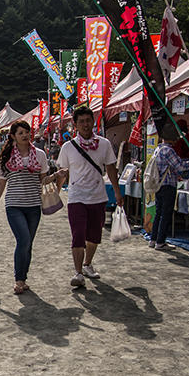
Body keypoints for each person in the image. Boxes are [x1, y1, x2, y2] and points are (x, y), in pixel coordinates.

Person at [0, 121, 61, 295]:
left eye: (27, 132)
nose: (25, 135)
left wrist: (55, 176)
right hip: (14, 205)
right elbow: (1, 184)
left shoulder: (39, 155)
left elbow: (43, 180)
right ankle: (18, 280)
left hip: (34, 205)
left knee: (28, 243)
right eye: (21, 133)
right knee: (23, 240)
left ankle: (23, 278)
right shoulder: (7, 156)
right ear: (13, 136)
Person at [57, 106, 122, 288]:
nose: (85, 125)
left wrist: (117, 192)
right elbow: (63, 172)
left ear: (93, 122)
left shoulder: (104, 144)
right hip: (76, 196)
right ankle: (78, 273)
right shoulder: (68, 147)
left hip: (98, 196)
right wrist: (56, 191)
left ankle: (87, 264)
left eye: (88, 120)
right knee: (78, 234)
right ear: (75, 125)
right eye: (81, 122)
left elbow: (111, 168)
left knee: (94, 235)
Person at [149, 123, 189, 251]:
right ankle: (160, 242)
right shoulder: (168, 150)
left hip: (159, 185)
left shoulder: (158, 149)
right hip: (168, 186)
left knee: (158, 213)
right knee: (166, 214)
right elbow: (180, 166)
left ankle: (153, 239)